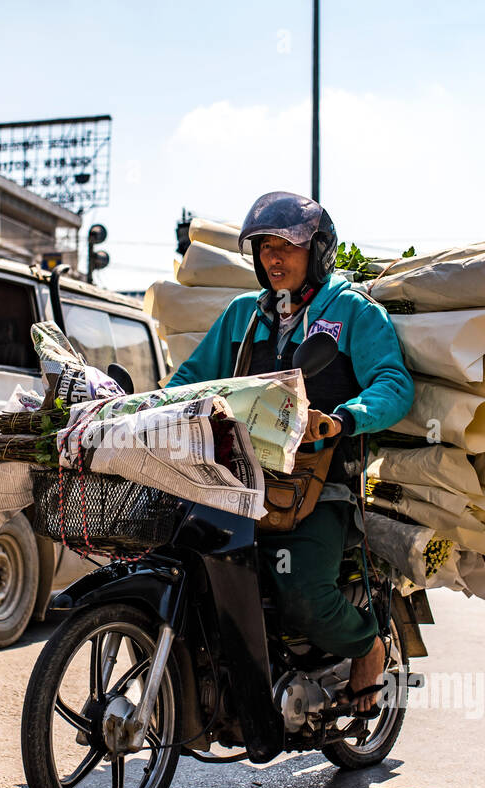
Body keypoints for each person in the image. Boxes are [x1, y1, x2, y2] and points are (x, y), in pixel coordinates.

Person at [165, 191, 414, 715]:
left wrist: (344, 417)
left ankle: (367, 646)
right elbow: (189, 379)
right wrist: (145, 409)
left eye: (287, 247)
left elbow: (392, 384)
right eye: (264, 248)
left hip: (321, 488)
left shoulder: (350, 312)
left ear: (318, 250)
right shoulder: (241, 317)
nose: (273, 258)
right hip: (235, 478)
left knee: (300, 591)